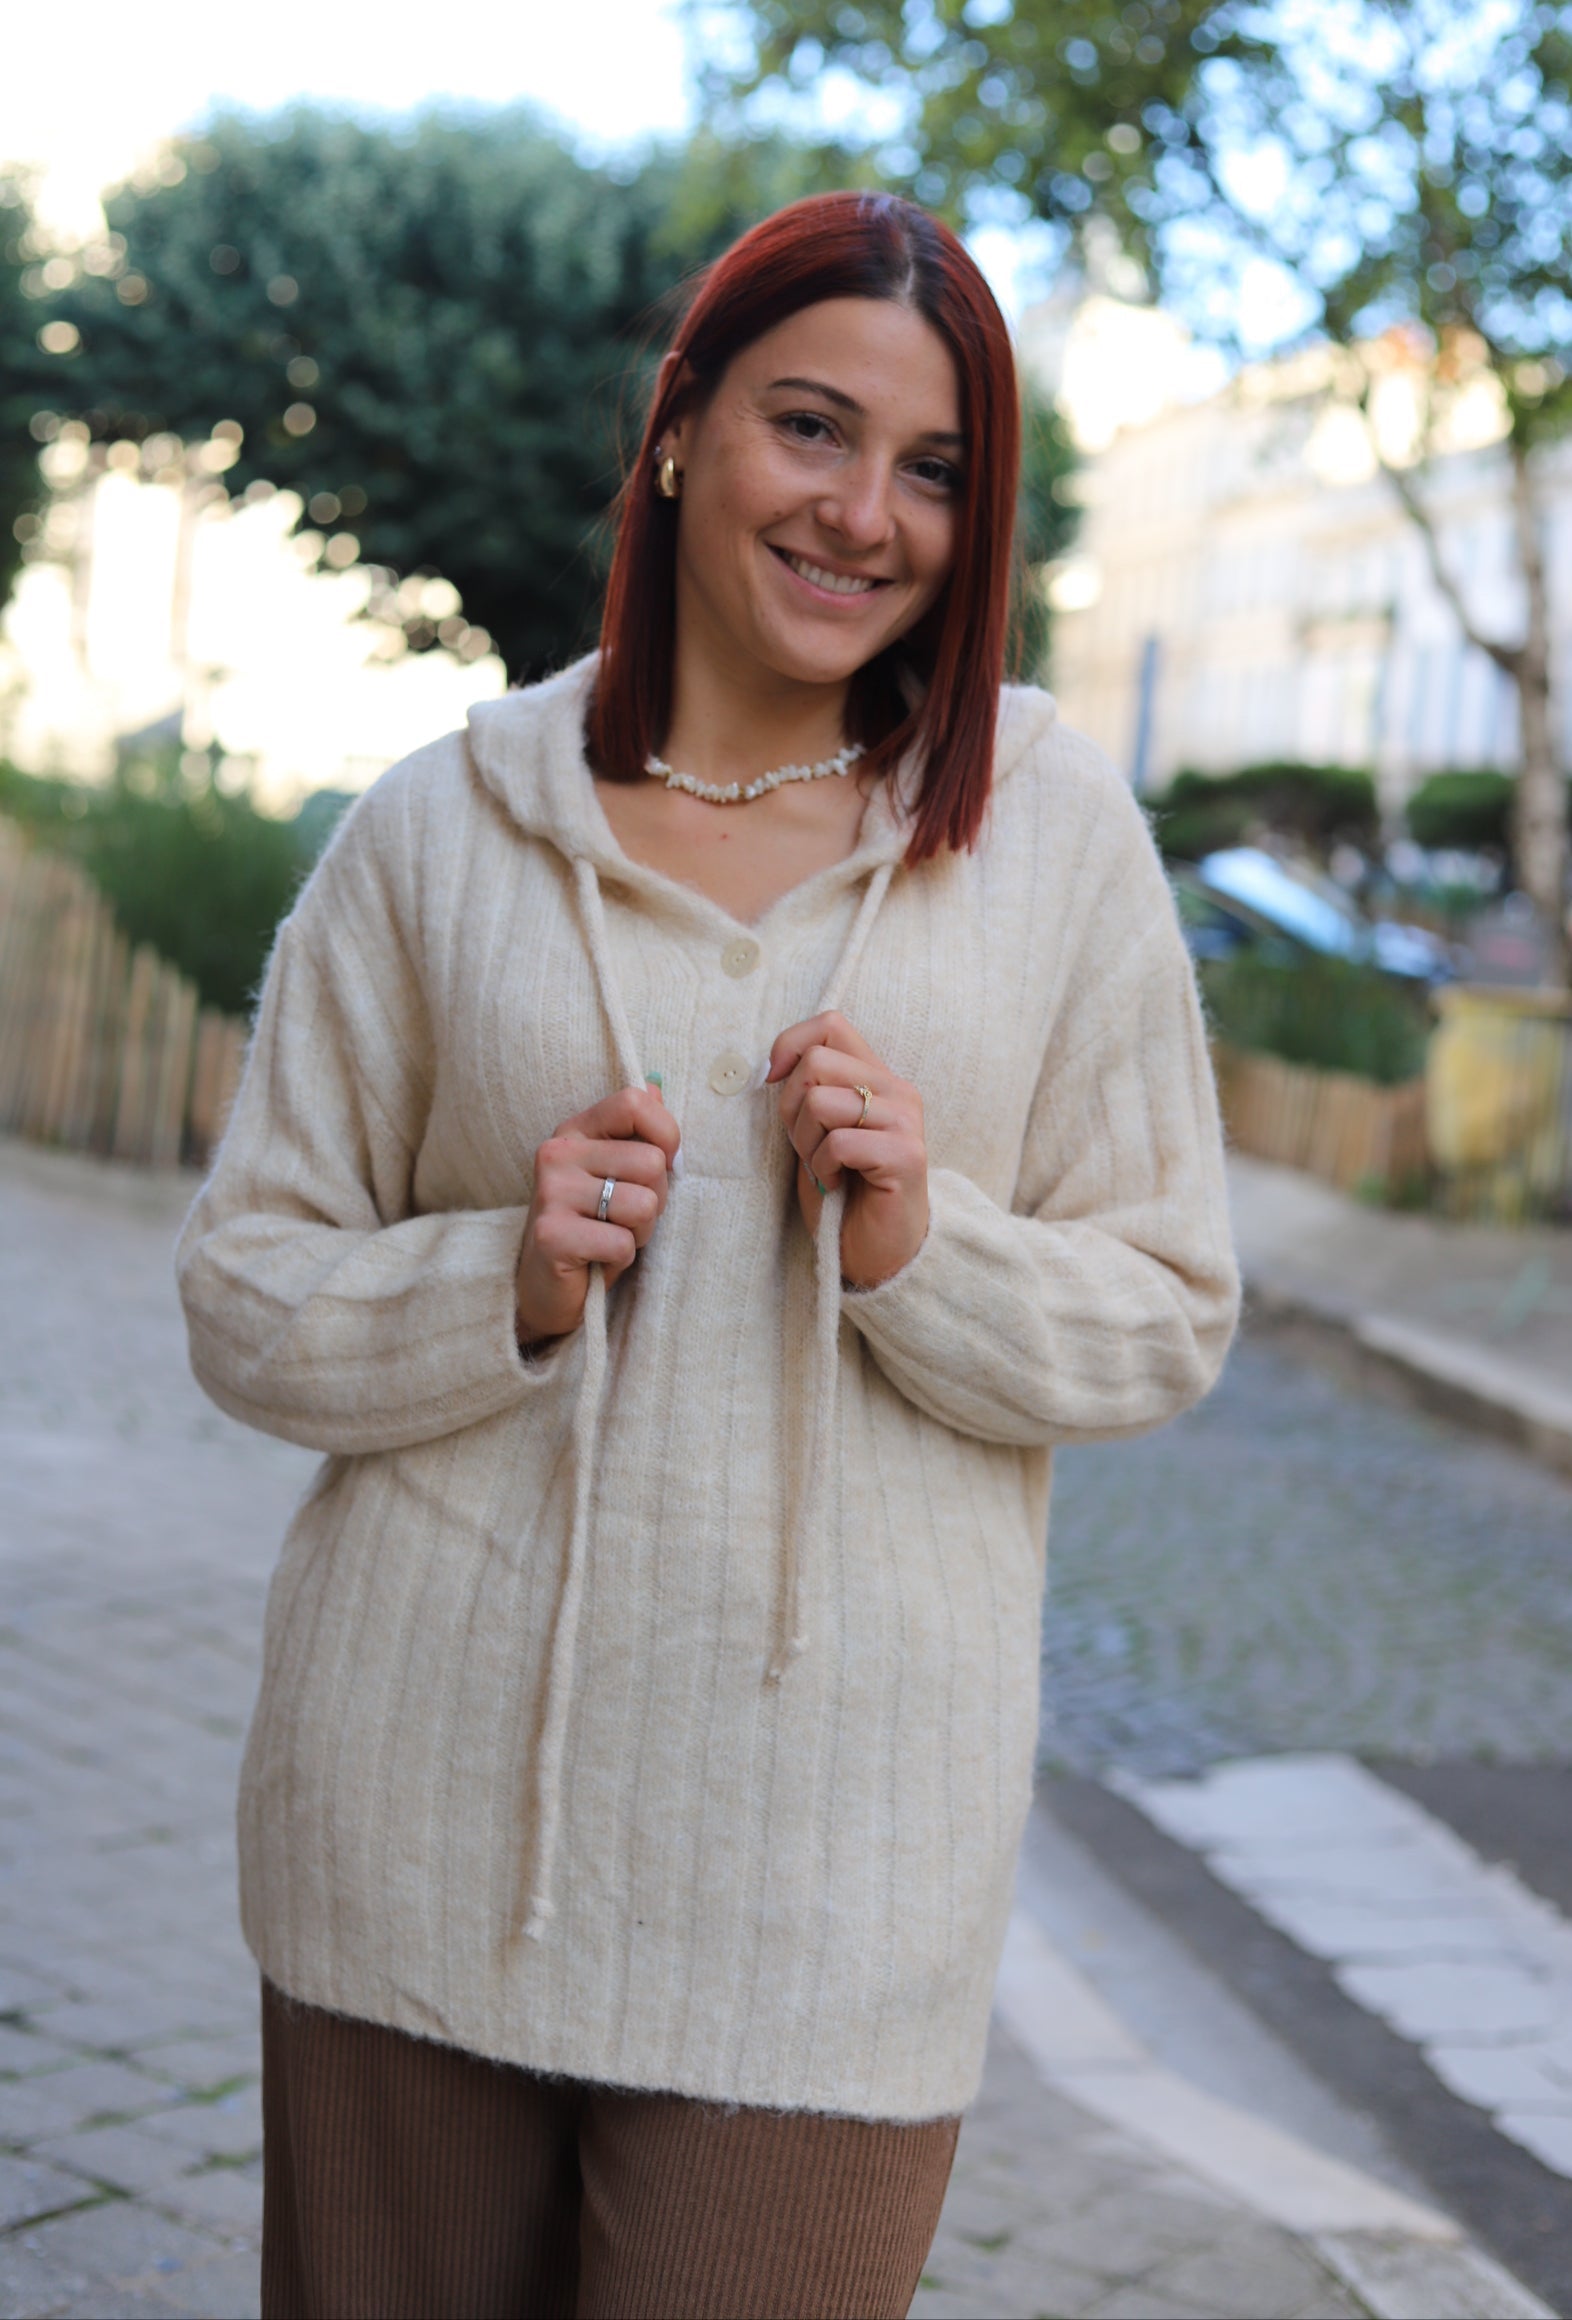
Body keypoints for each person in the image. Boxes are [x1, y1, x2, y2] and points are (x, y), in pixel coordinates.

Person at [177, 190, 1239, 2320]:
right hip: (411, 1840)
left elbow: (1167, 1313)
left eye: (934, 467)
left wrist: (921, 1249)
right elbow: (246, 1287)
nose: (865, 513)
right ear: (679, 430)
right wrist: (502, 1278)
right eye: (811, 427)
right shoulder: (440, 827)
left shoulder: (1051, 840)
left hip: (836, 1898)